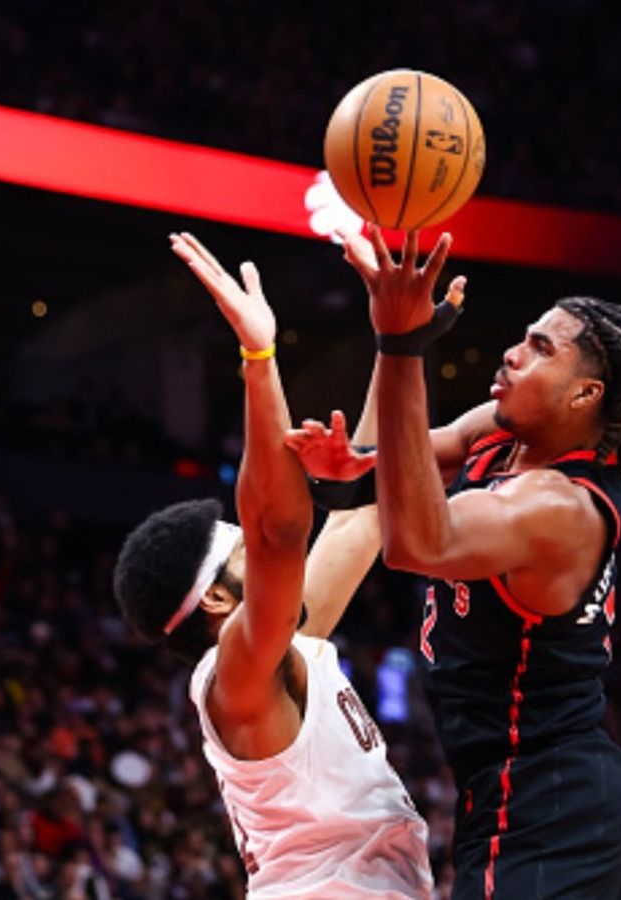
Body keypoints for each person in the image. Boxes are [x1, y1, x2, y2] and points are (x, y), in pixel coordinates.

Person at [307, 225, 621, 899]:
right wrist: (346, 468)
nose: (510, 353)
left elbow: (420, 541)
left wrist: (402, 342)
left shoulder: (561, 507)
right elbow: (390, 467)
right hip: (512, 790)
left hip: (554, 797)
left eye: (539, 348)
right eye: (524, 336)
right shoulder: (502, 433)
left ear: (585, 394)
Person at [111, 233, 433, 898]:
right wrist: (259, 357)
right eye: (240, 555)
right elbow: (279, 531)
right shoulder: (236, 674)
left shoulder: (285, 646)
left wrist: (398, 341)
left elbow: (362, 511)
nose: (258, 559)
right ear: (218, 602)